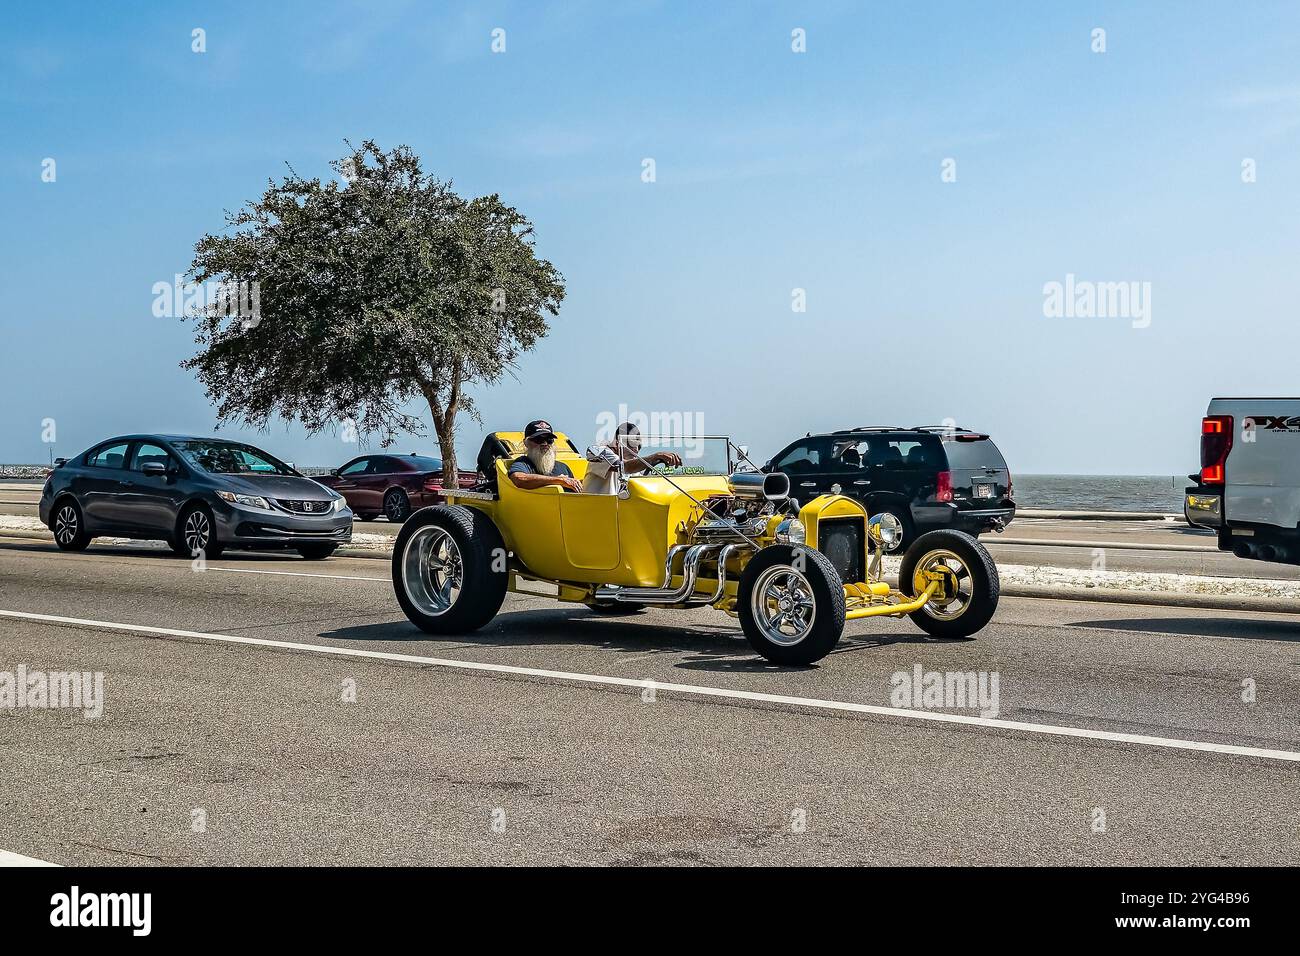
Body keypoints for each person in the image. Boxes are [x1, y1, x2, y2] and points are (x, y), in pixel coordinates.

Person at [582, 422, 683, 495]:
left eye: (639, 446)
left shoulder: (633, 463)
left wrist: (657, 462)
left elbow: (639, 478)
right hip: (596, 513)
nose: (636, 449)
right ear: (617, 443)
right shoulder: (600, 452)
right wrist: (656, 456)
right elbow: (624, 468)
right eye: (632, 444)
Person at [508, 420, 582, 492]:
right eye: (539, 439)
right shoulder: (523, 463)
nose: (545, 444)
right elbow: (519, 479)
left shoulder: (563, 467)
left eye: (549, 440)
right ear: (526, 443)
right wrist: (559, 480)